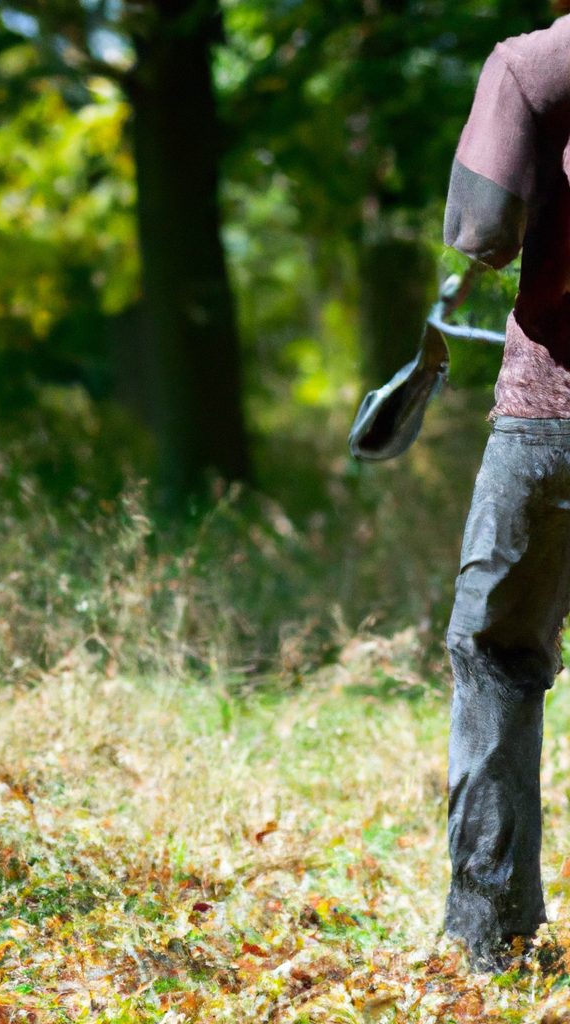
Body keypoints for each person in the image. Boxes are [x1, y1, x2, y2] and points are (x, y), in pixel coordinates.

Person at [442, 15, 570, 970]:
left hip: (549, 415)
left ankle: (490, 940)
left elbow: (480, 235)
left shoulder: (531, 66)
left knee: (497, 655)